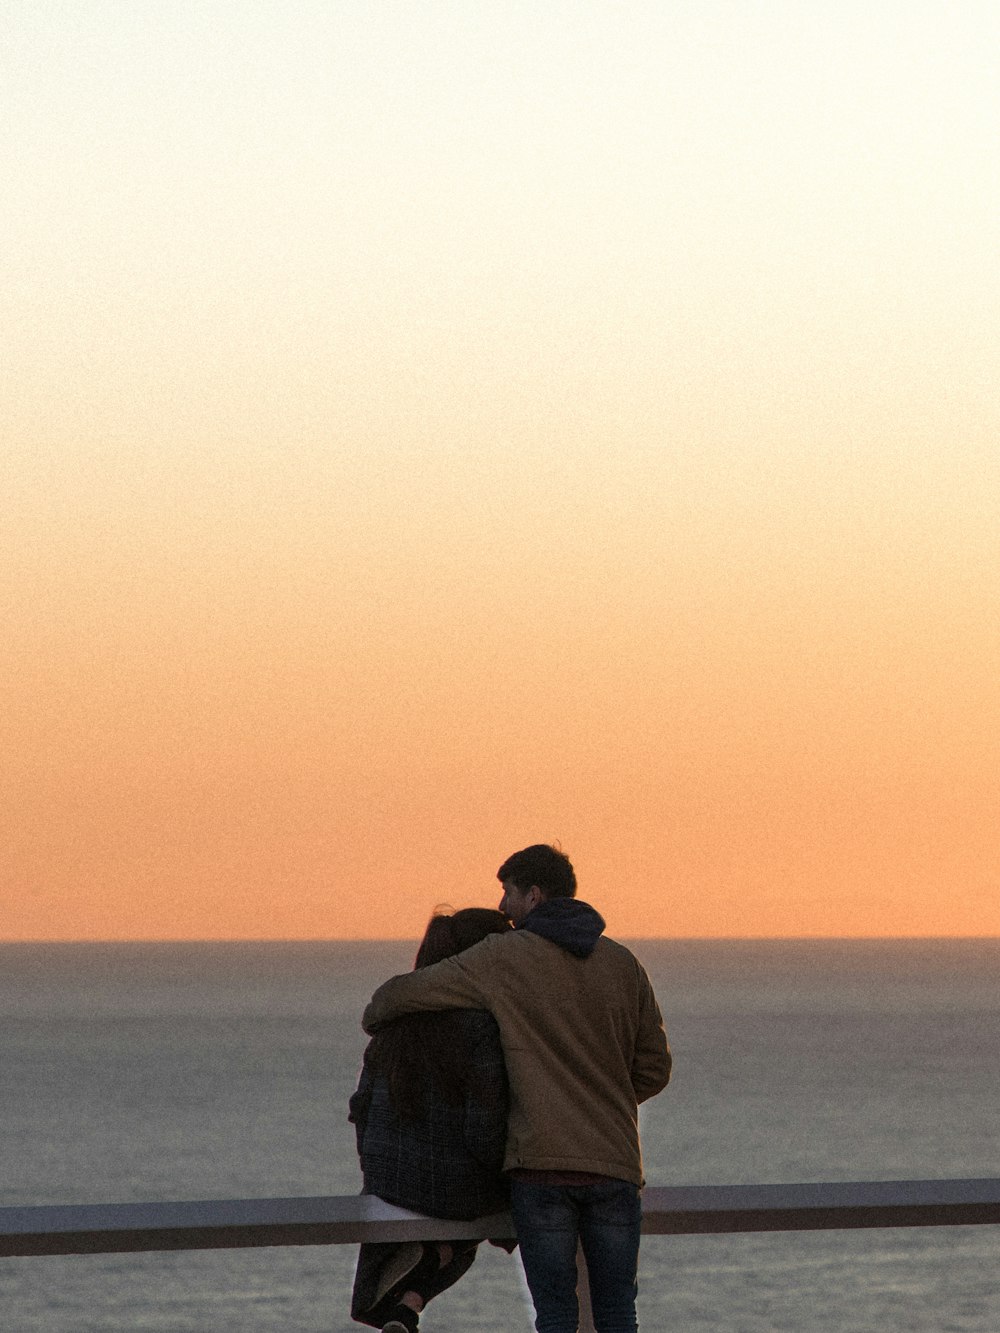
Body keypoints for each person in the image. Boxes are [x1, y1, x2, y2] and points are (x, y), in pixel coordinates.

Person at [363, 844, 672, 1333]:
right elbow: (654, 1069)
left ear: (533, 894)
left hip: (542, 1170)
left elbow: (392, 998)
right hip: (614, 1166)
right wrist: (597, 1100)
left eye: (507, 892)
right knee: (617, 1312)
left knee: (556, 1316)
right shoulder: (624, 964)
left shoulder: (502, 958)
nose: (502, 907)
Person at [349, 907, 513, 1333]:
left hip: (386, 1183)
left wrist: (377, 1171)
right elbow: (484, 1132)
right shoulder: (481, 1029)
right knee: (485, 1225)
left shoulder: (392, 1025)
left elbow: (361, 1110)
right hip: (453, 1192)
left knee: (446, 1234)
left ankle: (406, 1306)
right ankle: (427, 1268)